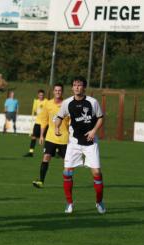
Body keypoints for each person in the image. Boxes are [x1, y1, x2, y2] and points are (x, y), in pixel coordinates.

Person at [55, 76, 105, 214]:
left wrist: (94, 131)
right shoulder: (67, 103)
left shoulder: (92, 102)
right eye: (75, 85)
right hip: (74, 143)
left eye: (79, 85)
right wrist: (57, 128)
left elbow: (100, 118)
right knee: (67, 172)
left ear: (84, 87)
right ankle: (69, 203)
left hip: (90, 143)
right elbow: (59, 117)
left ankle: (99, 201)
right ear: (72, 87)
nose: (77, 87)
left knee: (97, 173)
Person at [32, 84, 69, 188]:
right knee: (46, 157)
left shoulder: (67, 104)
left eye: (60, 90)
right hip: (50, 137)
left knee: (66, 162)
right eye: (56, 90)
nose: (58, 92)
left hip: (64, 138)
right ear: (53, 92)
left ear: (62, 92)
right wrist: (42, 135)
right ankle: (41, 181)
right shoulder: (48, 104)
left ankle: (67, 183)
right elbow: (44, 120)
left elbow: (71, 121)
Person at [24, 89, 48, 157]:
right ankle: (31, 152)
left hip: (45, 122)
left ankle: (46, 152)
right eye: (40, 95)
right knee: (34, 137)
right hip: (37, 122)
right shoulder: (36, 101)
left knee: (45, 138)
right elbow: (34, 111)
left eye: (42, 95)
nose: (41, 96)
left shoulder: (46, 101)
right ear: (38, 95)